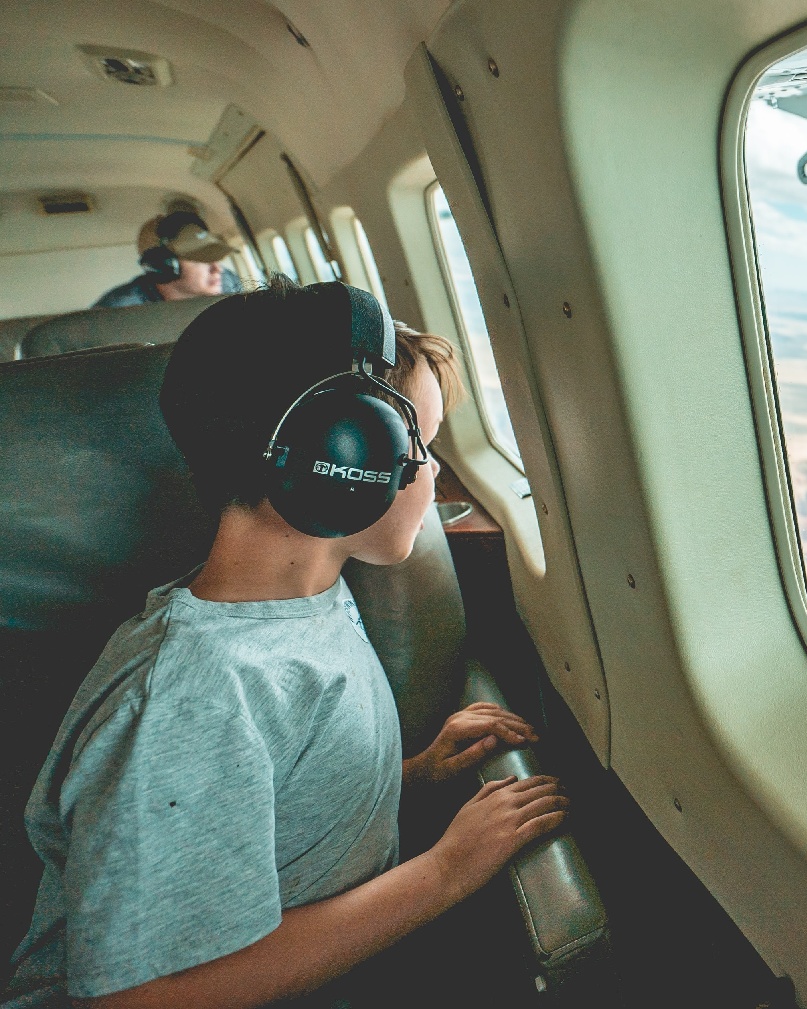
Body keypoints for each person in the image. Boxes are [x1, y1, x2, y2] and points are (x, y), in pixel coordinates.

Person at [3, 278, 567, 1008]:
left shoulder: (308, 602)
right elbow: (140, 994)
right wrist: (446, 871)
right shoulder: (194, 693)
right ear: (343, 449)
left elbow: (260, 806)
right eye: (417, 444)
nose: (429, 474)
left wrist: (409, 774)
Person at [92, 211, 243, 308]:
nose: (218, 269)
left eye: (213, 256)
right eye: (199, 260)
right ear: (162, 268)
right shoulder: (118, 311)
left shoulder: (228, 283)